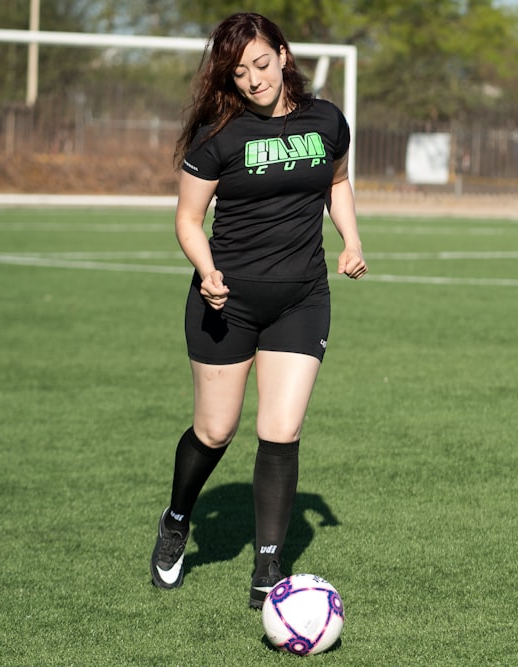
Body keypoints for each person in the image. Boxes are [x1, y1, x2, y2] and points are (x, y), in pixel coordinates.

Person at [149, 11, 368, 609]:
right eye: (240, 71)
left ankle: (268, 565)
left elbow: (337, 182)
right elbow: (188, 220)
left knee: (281, 428)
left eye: (262, 63)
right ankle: (175, 520)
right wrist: (207, 271)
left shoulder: (326, 120)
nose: (253, 79)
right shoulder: (219, 134)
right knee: (216, 429)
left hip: (302, 298)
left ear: (284, 54)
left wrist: (351, 239)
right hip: (228, 302)